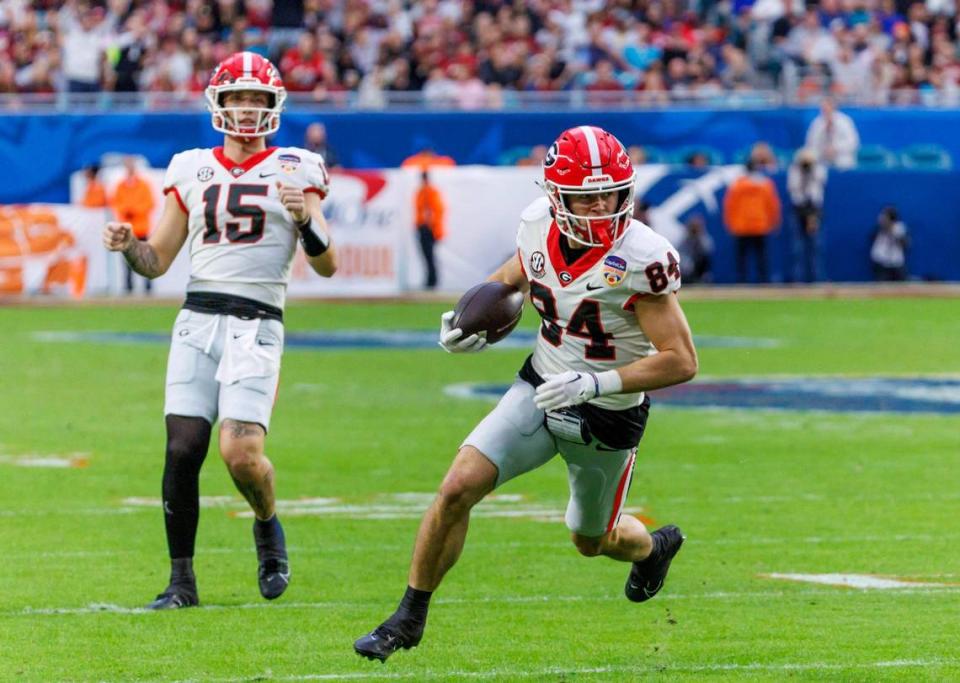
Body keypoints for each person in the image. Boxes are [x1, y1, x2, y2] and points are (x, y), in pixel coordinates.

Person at [354, 125, 698, 663]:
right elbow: (513, 279)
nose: (603, 206)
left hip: (606, 415)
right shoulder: (537, 226)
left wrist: (596, 382)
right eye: (588, 196)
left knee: (592, 541)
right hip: (539, 387)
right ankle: (407, 618)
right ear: (557, 198)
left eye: (610, 193)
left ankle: (653, 549)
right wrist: (467, 321)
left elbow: (681, 360)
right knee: (456, 488)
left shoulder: (642, 257)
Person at [101, 52, 337, 610]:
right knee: (183, 448)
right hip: (196, 319)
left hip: (257, 322)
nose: (248, 108)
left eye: (258, 98)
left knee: (240, 454)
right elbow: (157, 260)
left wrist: (303, 219)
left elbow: (328, 265)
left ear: (274, 105)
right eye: (239, 98)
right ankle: (181, 581)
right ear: (219, 104)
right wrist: (129, 245)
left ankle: (266, 523)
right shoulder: (189, 167)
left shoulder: (298, 167)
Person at [722, 158, 781, 283]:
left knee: (742, 257)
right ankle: (763, 281)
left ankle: (741, 281)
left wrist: (730, 223)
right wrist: (774, 221)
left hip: (742, 225)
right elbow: (772, 205)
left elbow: (730, 205)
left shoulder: (738, 184)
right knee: (761, 256)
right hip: (760, 224)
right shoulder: (765, 184)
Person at [110, 157, 157, 294]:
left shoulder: (143, 185)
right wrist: (126, 210)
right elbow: (116, 203)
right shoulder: (120, 186)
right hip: (127, 228)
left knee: (145, 258)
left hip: (141, 228)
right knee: (127, 260)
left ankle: (148, 287)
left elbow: (149, 203)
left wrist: (134, 210)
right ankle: (128, 287)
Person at [786, 148, 828, 283]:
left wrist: (811, 171)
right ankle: (797, 279)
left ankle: (817, 278)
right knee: (796, 248)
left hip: (814, 210)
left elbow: (819, 183)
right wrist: (802, 172)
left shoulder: (818, 170)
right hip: (798, 210)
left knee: (816, 246)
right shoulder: (794, 171)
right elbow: (794, 188)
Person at [804, 97, 860, 169]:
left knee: (844, 164)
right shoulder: (817, 123)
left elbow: (854, 143)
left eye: (828, 108)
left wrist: (835, 148)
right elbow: (810, 144)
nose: (826, 111)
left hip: (842, 159)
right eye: (824, 109)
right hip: (822, 159)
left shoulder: (845, 121)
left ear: (833, 108)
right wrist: (823, 147)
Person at [414, 169, 445, 289]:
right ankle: (430, 279)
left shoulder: (429, 191)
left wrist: (431, 224)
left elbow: (436, 209)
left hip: (428, 228)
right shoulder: (423, 191)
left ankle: (432, 280)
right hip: (424, 227)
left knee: (429, 255)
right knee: (427, 255)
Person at [870, 206, 909, 281]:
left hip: (896, 263)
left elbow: (906, 245)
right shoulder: (879, 228)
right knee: (882, 287)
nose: (881, 218)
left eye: (884, 216)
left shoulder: (900, 229)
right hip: (881, 263)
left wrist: (892, 231)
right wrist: (883, 228)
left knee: (903, 287)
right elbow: (871, 238)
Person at [677, 214, 714, 284]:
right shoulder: (684, 240)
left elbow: (708, 250)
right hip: (686, 270)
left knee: (703, 258)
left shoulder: (703, 239)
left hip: (699, 269)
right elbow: (680, 255)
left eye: (696, 227)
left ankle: (702, 278)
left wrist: (699, 236)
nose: (694, 229)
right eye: (693, 227)